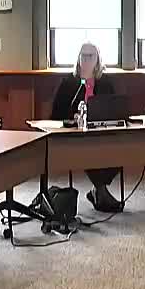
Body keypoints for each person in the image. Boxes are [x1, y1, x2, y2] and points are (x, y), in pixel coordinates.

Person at [50, 42, 124, 212]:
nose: (86, 59)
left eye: (91, 56)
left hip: (100, 132)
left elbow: (113, 109)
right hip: (75, 136)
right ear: (78, 58)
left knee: (122, 149)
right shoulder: (68, 82)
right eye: (83, 55)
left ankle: (98, 190)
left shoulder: (105, 82)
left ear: (98, 60)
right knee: (89, 150)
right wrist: (72, 117)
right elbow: (56, 114)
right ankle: (101, 192)